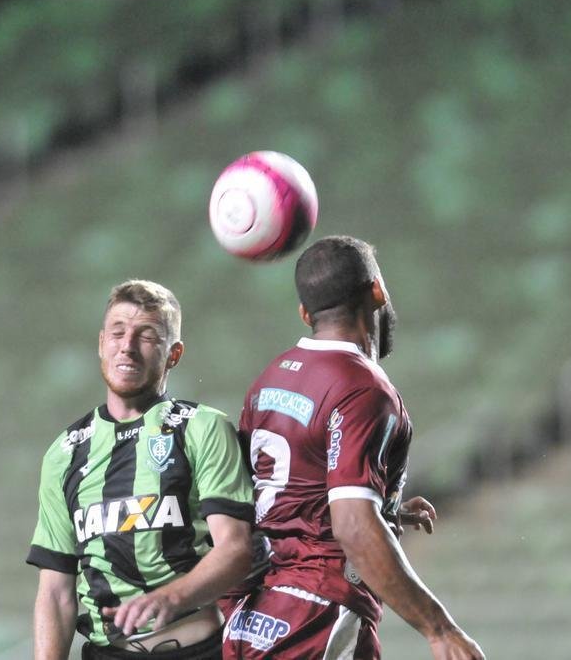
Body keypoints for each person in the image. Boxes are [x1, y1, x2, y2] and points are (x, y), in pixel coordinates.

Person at [221, 236, 485, 660]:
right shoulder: (365, 389)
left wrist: (387, 508)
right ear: (377, 291)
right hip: (318, 621)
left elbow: (283, 493)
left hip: (255, 618)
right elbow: (353, 527)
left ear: (305, 313)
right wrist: (440, 630)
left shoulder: (270, 379)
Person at [28, 280, 255, 660]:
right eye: (118, 332)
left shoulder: (202, 427)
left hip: (199, 651)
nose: (127, 346)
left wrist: (170, 597)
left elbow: (235, 549)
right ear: (102, 343)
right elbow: (55, 592)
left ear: (174, 354)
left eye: (146, 335)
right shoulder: (64, 453)